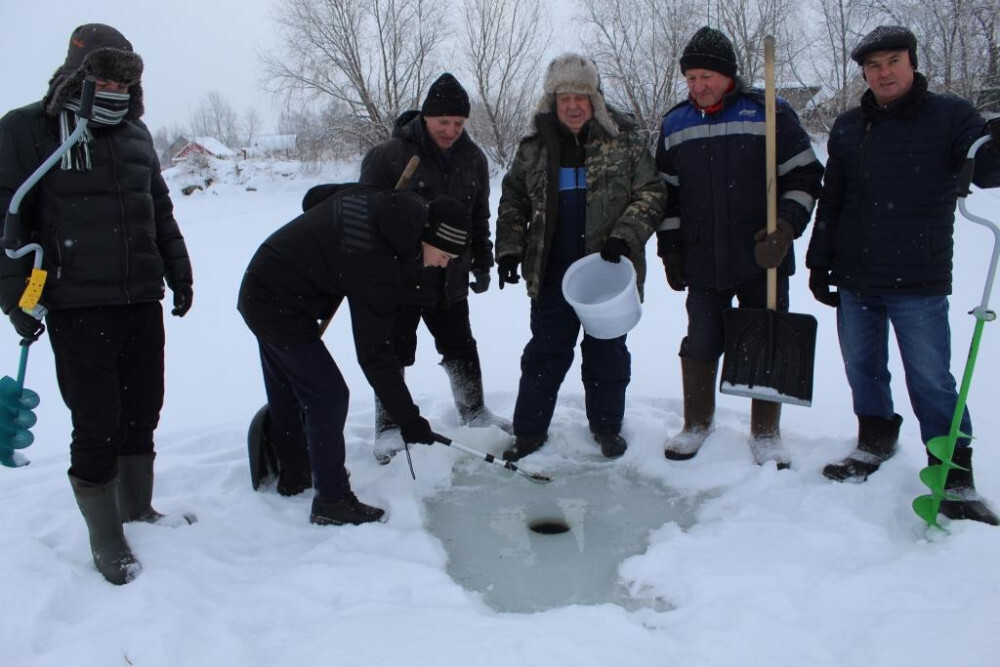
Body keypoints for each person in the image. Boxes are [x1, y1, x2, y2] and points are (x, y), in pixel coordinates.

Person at [0, 24, 194, 585]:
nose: (111, 87)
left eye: (121, 78)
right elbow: (8, 217)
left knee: (144, 410)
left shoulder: (136, 135)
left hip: (140, 297)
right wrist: (17, 295)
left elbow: (158, 211)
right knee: (97, 422)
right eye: (100, 77)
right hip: (77, 305)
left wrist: (178, 273)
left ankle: (138, 508)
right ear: (75, 74)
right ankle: (106, 535)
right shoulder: (28, 130)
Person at [807, 25, 1000, 525]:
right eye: (873, 66)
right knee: (862, 369)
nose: (884, 72)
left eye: (893, 61)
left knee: (932, 380)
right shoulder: (850, 125)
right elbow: (834, 197)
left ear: (912, 63)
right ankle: (874, 442)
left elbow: (985, 169)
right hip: (856, 276)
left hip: (918, 277)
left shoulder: (950, 116)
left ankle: (954, 474)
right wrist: (819, 260)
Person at [238, 182, 471, 526]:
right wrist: (408, 419)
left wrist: (326, 248)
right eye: (445, 256)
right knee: (328, 396)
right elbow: (375, 355)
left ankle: (294, 474)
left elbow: (313, 198)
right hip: (278, 303)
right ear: (430, 238)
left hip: (265, 279)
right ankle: (331, 500)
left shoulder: (381, 200)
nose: (442, 265)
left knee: (290, 389)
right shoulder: (375, 263)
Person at [655, 26, 823, 468]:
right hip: (703, 257)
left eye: (706, 75)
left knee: (764, 339)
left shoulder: (769, 112)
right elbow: (666, 193)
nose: (698, 86)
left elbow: (805, 177)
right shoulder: (675, 123)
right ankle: (696, 423)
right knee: (702, 340)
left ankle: (766, 432)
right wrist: (670, 247)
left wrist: (785, 227)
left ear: (729, 76)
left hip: (761, 256)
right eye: (691, 77)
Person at [495, 53, 667, 461]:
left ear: (596, 99)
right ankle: (530, 433)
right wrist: (508, 249)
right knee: (545, 353)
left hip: (606, 273)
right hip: (552, 273)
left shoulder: (624, 140)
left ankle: (607, 428)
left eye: (582, 96)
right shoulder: (533, 148)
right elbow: (513, 201)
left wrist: (624, 237)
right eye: (564, 97)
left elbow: (653, 193)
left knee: (607, 354)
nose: (573, 105)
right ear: (551, 101)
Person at [359, 73, 511, 464]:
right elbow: (364, 216)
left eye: (459, 123)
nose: (451, 130)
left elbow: (478, 215)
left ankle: (474, 412)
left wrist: (482, 259)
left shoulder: (473, 159)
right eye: (443, 121)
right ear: (425, 117)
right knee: (393, 352)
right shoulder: (389, 155)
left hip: (449, 277)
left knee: (461, 346)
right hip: (399, 279)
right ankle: (390, 426)